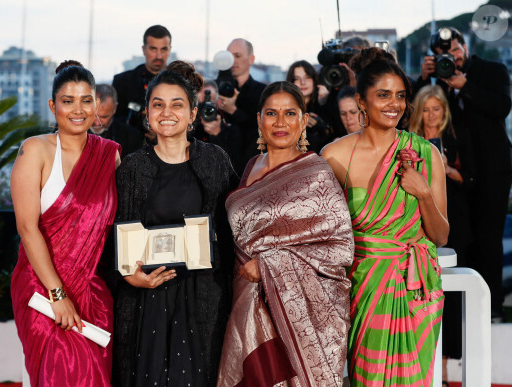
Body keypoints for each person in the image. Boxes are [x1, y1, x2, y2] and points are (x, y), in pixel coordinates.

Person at [322, 47, 448, 386]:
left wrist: (422, 193)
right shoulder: (333, 155)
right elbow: (325, 233)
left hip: (416, 289)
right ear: (361, 101)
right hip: (363, 286)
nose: (394, 104)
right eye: (383, 95)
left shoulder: (426, 153)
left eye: (401, 96)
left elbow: (440, 236)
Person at [218, 81, 354, 386]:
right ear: (258, 119)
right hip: (249, 304)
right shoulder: (252, 166)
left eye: (290, 113)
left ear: (304, 121)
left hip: (305, 313)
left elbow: (340, 248)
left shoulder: (316, 173)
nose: (280, 123)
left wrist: (268, 263)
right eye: (271, 113)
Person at [110, 61, 236, 387]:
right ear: (147, 113)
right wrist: (129, 276)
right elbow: (114, 236)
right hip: (145, 302)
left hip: (202, 298)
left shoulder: (215, 161)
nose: (167, 112)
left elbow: (236, 228)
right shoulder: (131, 169)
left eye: (177, 104)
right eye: (158, 104)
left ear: (193, 113)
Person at [10, 60, 121, 386]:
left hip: (92, 290)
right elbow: (28, 229)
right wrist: (57, 295)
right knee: (59, 372)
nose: (78, 109)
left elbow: (117, 227)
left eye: (86, 100)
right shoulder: (35, 151)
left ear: (96, 105)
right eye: (67, 101)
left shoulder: (109, 155)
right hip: (42, 291)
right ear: (52, 105)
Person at [416, 26, 512, 321]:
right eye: (443, 55)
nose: (452, 58)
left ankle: (491, 310)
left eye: (455, 51)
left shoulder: (491, 70)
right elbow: (418, 108)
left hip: (492, 169)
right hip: (457, 171)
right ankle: (459, 314)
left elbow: (502, 106)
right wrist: (424, 78)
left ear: (466, 48)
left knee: (488, 239)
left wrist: (464, 85)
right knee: (461, 238)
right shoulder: (437, 80)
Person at [409, 84, 473, 384]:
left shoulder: (455, 140)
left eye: (437, 108)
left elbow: (470, 181)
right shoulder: (408, 143)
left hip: (452, 221)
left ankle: (444, 372)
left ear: (444, 112)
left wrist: (445, 170)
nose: (431, 114)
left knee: (447, 296)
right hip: (413, 226)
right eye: (426, 108)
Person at [112, 25, 172, 138]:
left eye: (163, 49)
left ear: (170, 50)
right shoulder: (122, 82)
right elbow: (113, 123)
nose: (159, 56)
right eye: (153, 49)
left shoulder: (182, 83)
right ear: (144, 50)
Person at [219, 38, 266, 174]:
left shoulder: (263, 92)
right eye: (229, 56)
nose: (232, 61)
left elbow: (262, 128)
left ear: (251, 59)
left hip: (250, 167)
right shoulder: (215, 88)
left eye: (237, 56)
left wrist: (233, 111)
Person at [192, 79, 243, 173]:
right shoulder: (190, 127)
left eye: (209, 102)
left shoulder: (232, 130)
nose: (205, 108)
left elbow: (233, 167)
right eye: (201, 103)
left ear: (218, 103)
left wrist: (217, 135)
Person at [286, 60, 334, 152]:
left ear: (314, 79)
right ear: (291, 82)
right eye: (297, 78)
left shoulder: (326, 102)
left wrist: (326, 102)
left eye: (307, 77)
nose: (303, 82)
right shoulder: (285, 109)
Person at [90, 83, 144, 155]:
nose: (97, 123)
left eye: (104, 117)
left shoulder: (132, 137)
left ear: (114, 108)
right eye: (93, 115)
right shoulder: (70, 133)